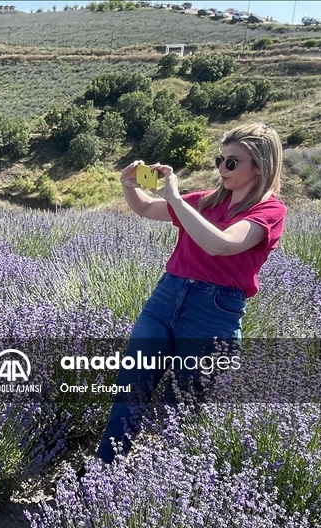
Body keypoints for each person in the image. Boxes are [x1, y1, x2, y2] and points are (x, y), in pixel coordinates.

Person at [95, 123, 287, 464]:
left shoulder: (270, 212)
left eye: (232, 163)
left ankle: (165, 488)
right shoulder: (205, 200)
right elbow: (144, 209)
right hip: (166, 298)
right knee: (130, 390)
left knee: (182, 410)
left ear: (260, 166)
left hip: (213, 313)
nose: (222, 169)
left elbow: (221, 244)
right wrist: (129, 185)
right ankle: (104, 470)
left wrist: (173, 197)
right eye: (220, 160)